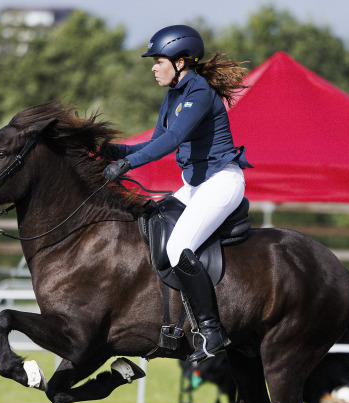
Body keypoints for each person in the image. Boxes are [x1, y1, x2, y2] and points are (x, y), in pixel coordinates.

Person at [102, 25, 251, 364]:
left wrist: (125, 165)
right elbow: (156, 140)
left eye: (158, 61)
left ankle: (212, 330)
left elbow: (171, 142)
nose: (153, 67)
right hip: (196, 185)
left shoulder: (198, 92)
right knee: (150, 225)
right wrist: (113, 151)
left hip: (221, 183)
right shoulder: (173, 94)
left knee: (177, 246)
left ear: (181, 61)